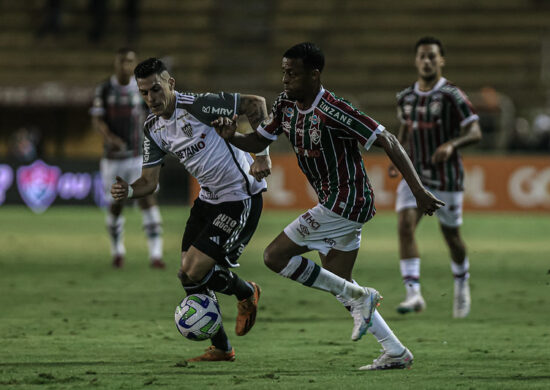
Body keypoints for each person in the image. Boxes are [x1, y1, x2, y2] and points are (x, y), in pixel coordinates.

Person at [213, 42, 444, 370]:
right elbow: (258, 141)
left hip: (347, 201)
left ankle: (364, 297)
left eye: (292, 73)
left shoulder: (335, 110)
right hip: (334, 203)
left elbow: (388, 139)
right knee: (340, 283)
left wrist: (418, 190)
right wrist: (231, 136)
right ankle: (395, 350)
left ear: (314, 74)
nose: (285, 79)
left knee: (274, 256)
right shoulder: (285, 105)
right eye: (283, 72)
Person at [111, 57, 272, 362]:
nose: (151, 99)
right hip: (208, 199)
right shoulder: (154, 128)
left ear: (170, 84)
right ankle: (222, 347)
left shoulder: (198, 105)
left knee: (195, 269)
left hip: (240, 197)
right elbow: (149, 182)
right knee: (187, 276)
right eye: (143, 93)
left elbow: (256, 104)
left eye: (155, 89)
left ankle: (245, 294)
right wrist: (130, 190)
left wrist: (261, 155)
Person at [391, 36, 482, 318]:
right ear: (416, 60)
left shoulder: (452, 96)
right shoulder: (405, 97)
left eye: (432, 56)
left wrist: (452, 144)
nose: (427, 61)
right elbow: (404, 130)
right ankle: (413, 293)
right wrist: (398, 158)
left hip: (447, 177)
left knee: (451, 236)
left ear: (441, 60)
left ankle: (461, 283)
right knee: (405, 226)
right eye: (422, 56)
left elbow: (475, 131)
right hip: (416, 175)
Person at [90, 48, 165, 269]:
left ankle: (156, 254)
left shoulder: (141, 89)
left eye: (130, 62)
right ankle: (117, 251)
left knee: (148, 198)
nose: (126, 66)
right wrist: (109, 137)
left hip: (138, 156)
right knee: (116, 203)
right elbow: (97, 120)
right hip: (113, 159)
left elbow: (154, 114)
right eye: (122, 62)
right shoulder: (104, 89)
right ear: (116, 64)